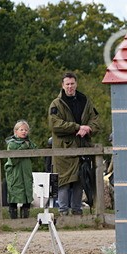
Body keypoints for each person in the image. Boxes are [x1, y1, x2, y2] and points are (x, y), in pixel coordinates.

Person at [48, 72, 100, 215]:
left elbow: (95, 119)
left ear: (76, 84)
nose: (70, 87)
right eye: (67, 84)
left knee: (80, 180)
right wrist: (77, 127)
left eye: (72, 83)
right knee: (63, 182)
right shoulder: (56, 104)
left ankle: (77, 212)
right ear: (62, 85)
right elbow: (55, 125)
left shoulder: (85, 101)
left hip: (82, 147)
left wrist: (88, 128)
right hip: (63, 150)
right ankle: (63, 213)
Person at [3, 120, 37, 219]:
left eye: (26, 130)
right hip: (15, 174)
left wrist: (29, 144)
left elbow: (35, 153)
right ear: (16, 131)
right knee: (14, 194)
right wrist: (24, 146)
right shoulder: (12, 144)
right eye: (21, 130)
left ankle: (25, 217)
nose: (24, 132)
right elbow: (13, 160)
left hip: (26, 173)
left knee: (27, 194)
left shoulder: (30, 143)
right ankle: (13, 217)